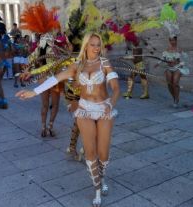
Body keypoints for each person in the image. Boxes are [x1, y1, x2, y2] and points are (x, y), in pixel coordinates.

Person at [16, 33, 120, 207]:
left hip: (104, 109)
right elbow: (54, 79)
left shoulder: (105, 64)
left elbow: (116, 88)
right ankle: (96, 188)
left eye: (98, 45)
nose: (96, 48)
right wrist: (34, 92)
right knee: (90, 152)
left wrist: (111, 104)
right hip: (85, 110)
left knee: (104, 154)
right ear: (86, 46)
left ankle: (102, 178)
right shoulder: (76, 66)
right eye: (93, 44)